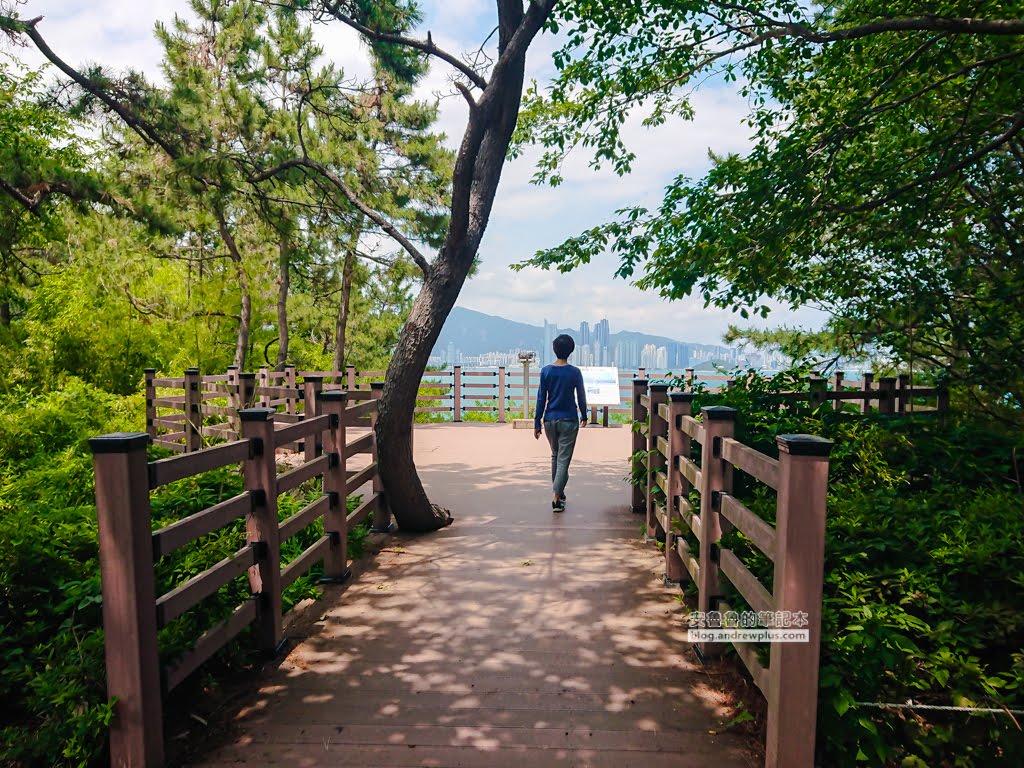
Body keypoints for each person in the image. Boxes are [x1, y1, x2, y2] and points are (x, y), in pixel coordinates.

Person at [534, 334, 588, 511]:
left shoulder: (546, 371)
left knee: (555, 456)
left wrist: (537, 423)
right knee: (563, 459)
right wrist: (584, 415)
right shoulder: (574, 372)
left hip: (550, 420)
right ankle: (556, 497)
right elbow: (580, 395)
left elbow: (541, 398)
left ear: (554, 349)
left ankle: (560, 492)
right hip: (569, 419)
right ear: (571, 350)